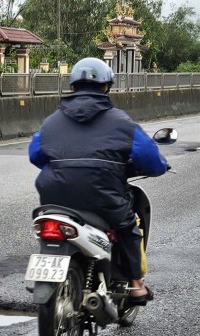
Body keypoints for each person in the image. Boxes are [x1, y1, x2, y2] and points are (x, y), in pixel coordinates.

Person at [28, 57, 169, 304]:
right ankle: (136, 285)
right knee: (128, 228)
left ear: (72, 86)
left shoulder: (51, 121)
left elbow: (35, 155)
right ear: (106, 87)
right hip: (103, 195)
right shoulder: (121, 122)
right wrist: (160, 166)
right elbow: (150, 160)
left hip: (53, 195)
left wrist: (63, 166)